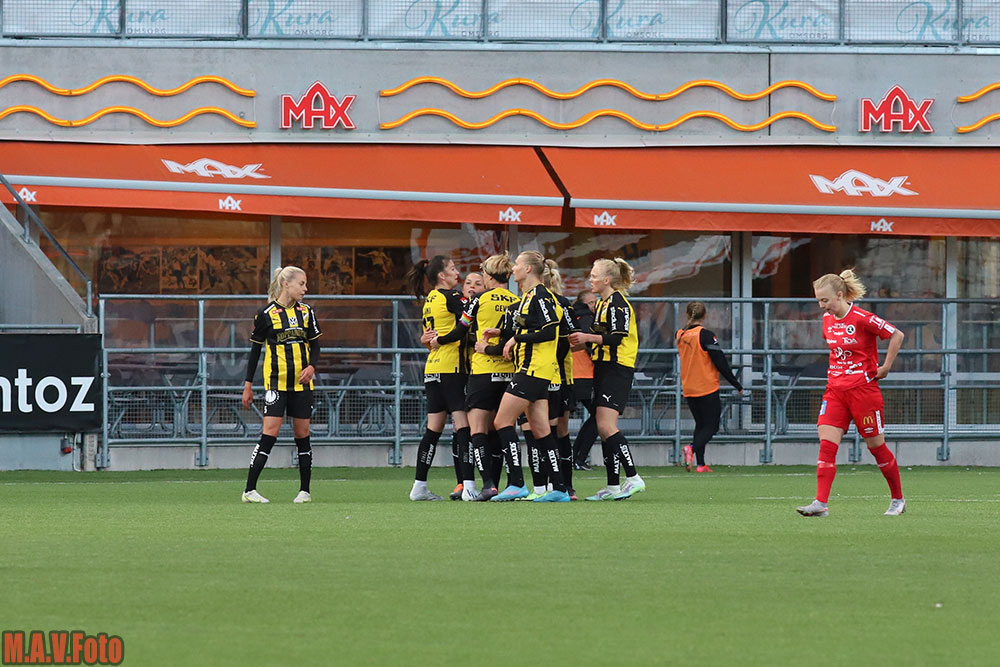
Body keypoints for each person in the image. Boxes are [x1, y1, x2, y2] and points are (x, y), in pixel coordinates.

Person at [797, 269, 907, 517]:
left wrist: (885, 367)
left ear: (839, 295)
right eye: (818, 300)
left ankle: (898, 499)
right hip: (835, 391)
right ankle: (820, 503)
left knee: (876, 447)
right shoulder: (827, 321)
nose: (822, 306)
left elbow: (896, 335)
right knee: (827, 444)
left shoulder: (862, 318)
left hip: (863, 391)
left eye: (825, 300)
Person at [430, 256, 519, 500]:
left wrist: (438, 340)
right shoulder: (516, 300)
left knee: (477, 429)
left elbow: (461, 329)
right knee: (502, 428)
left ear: (488, 276)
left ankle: (488, 484)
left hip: (483, 371)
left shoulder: (479, 299)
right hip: (509, 371)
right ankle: (508, 484)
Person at [489, 251, 571, 502]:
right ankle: (559, 488)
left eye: (517, 264)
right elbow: (531, 328)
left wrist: (517, 338)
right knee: (541, 430)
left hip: (533, 370)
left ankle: (516, 483)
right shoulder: (527, 297)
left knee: (502, 421)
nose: (512, 268)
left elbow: (549, 332)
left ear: (527, 269)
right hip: (535, 370)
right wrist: (503, 333)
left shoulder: (541, 296)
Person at [241, 266, 321, 504]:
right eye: (301, 284)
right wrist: (248, 385)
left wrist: (312, 366)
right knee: (270, 433)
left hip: (302, 386)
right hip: (276, 385)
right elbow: (255, 352)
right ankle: (249, 490)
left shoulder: (306, 312)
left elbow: (316, 345)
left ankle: (305, 491)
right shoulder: (266, 314)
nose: (305, 289)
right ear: (286, 284)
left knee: (302, 435)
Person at [569, 258, 645, 501]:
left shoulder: (618, 303)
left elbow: (616, 338)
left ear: (607, 280)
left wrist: (587, 338)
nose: (590, 279)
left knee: (606, 426)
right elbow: (596, 337)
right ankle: (613, 486)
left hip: (617, 368)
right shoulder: (602, 303)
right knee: (603, 428)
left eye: (594, 275)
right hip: (603, 368)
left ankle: (633, 477)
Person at [406, 256, 473, 501]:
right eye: (453, 269)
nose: (457, 273)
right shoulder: (451, 296)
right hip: (451, 367)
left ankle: (419, 486)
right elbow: (471, 315)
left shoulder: (429, 300)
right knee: (462, 425)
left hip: (432, 369)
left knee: (432, 430)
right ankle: (468, 486)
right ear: (442, 276)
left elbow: (429, 337)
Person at [675, 301, 744, 473]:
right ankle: (691, 447)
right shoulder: (705, 335)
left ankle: (700, 464)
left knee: (701, 425)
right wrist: (736, 384)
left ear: (687, 314)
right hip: (706, 386)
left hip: (689, 387)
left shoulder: (680, 334)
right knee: (712, 426)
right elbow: (720, 361)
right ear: (704, 316)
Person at [570, 289, 598, 470]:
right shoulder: (587, 318)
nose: (594, 305)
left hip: (571, 373)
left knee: (559, 421)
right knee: (599, 417)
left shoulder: (572, 317)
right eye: (591, 302)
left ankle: (572, 458)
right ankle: (579, 457)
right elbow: (590, 344)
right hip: (584, 373)